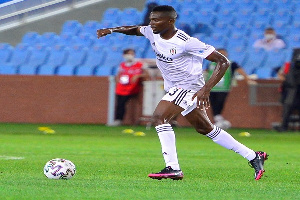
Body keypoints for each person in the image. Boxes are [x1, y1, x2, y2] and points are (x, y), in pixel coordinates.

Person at [97, 5, 268, 181]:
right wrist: (111, 30)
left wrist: (205, 89)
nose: (151, 23)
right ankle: (253, 156)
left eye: (156, 20)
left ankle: (173, 168)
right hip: (174, 87)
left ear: (170, 21)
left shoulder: (186, 42)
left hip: (188, 86)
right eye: (151, 19)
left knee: (159, 117)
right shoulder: (152, 32)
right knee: (205, 128)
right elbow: (134, 29)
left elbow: (223, 61)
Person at [207, 48, 256, 130]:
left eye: (223, 53)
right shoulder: (211, 64)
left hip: (224, 87)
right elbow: (207, 73)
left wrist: (247, 79)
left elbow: (239, 70)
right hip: (212, 88)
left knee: (220, 103)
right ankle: (218, 119)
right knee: (213, 104)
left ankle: (218, 120)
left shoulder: (231, 63)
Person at [111, 48, 149, 126]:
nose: (130, 56)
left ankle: (132, 120)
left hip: (133, 87)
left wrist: (137, 76)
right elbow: (118, 75)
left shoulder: (140, 64)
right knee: (119, 103)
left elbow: (146, 74)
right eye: (128, 54)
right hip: (122, 87)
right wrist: (119, 81)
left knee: (126, 103)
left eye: (132, 54)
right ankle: (118, 119)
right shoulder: (122, 65)